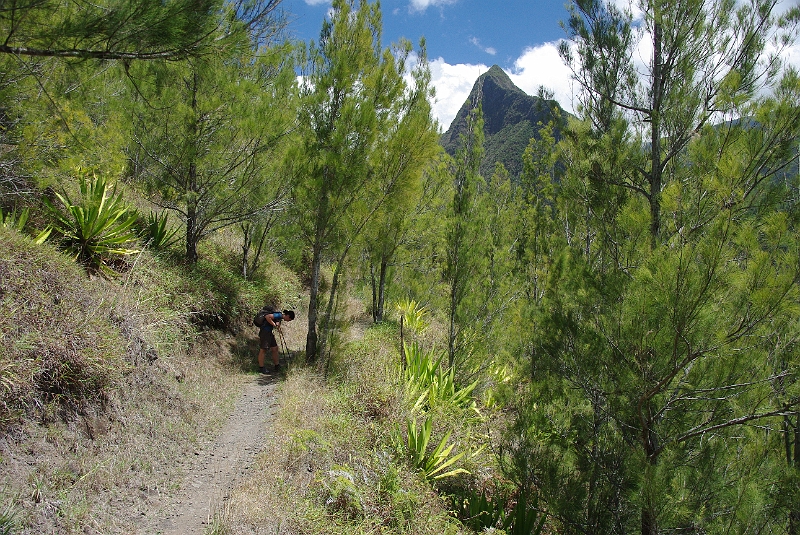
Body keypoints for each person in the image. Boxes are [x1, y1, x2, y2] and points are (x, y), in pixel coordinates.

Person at [258, 308, 295, 374]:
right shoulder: (278, 315)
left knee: (275, 348)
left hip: (269, 332)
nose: (288, 321)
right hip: (265, 332)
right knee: (263, 349)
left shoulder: (279, 317)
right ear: (288, 316)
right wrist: (274, 325)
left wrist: (278, 327)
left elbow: (276, 322)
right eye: (289, 319)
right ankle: (261, 368)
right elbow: (267, 317)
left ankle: (277, 365)